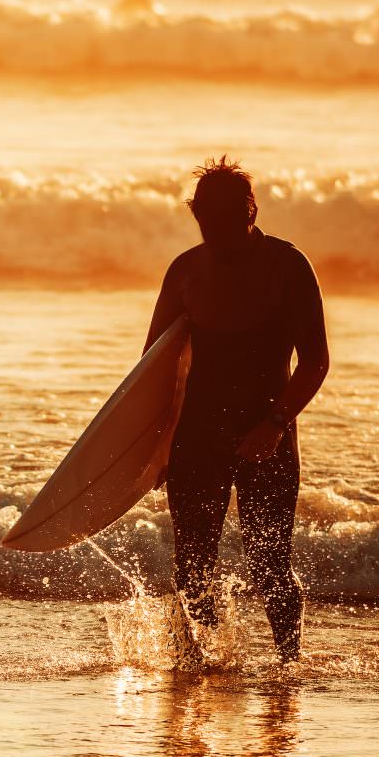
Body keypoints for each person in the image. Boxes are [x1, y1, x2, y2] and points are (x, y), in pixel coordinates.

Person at [143, 158, 328, 661]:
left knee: (269, 563)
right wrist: (154, 449)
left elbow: (315, 362)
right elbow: (152, 367)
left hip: (265, 433)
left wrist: (273, 425)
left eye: (224, 220)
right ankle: (202, 667)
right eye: (205, 220)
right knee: (192, 567)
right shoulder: (185, 271)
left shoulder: (287, 267)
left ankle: (290, 664)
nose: (214, 232)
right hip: (196, 437)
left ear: (251, 211)